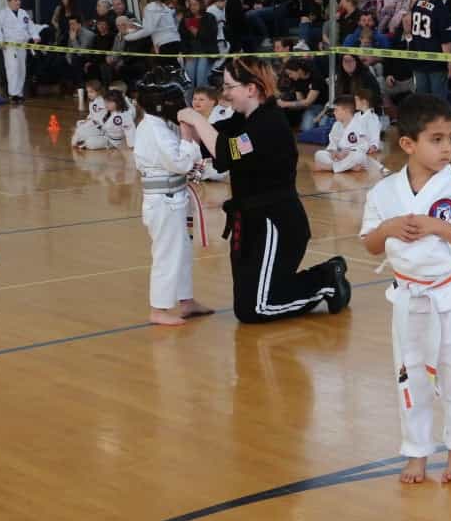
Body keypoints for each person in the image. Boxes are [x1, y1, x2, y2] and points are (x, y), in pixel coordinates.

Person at [359, 94, 451, 484]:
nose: (447, 148)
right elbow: (369, 243)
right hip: (408, 299)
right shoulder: (385, 192)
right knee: (410, 376)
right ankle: (416, 451)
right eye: (436, 139)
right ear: (408, 144)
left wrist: (436, 226)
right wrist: (388, 229)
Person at [178, 57, 350, 323]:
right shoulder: (242, 118)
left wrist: (194, 119)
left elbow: (226, 153)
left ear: (251, 88)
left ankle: (325, 279)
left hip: (276, 225)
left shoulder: (268, 123)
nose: (225, 93)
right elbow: (210, 141)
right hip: (249, 223)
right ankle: (317, 278)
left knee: (256, 309)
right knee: (248, 304)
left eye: (229, 86)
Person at [133, 75, 212, 326]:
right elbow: (180, 163)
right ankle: (158, 308)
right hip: (163, 201)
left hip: (176, 197)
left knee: (183, 251)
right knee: (167, 253)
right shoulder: (153, 129)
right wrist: (189, 137)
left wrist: (189, 138)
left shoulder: (163, 124)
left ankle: (186, 301)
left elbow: (189, 160)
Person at [406, 0, 451, 99]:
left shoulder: (418, 3)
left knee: (422, 100)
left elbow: (407, 22)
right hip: (435, 62)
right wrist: (450, 63)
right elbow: (445, 41)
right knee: (437, 101)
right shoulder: (441, 8)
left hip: (418, 57)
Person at [314, 95, 381, 174]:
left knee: (358, 156)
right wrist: (333, 151)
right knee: (319, 154)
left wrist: (347, 152)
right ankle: (349, 167)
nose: (334, 112)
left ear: (345, 111)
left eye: (336, 110)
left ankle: (330, 167)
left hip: (352, 156)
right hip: (339, 157)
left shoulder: (359, 124)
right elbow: (332, 142)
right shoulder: (336, 125)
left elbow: (364, 146)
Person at [0, 0, 34, 103]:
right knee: (13, 69)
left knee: (21, 70)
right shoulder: (2, 14)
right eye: (15, 0)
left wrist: (35, 36)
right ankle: (13, 94)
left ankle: (19, 93)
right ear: (9, 1)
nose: (18, 2)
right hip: (10, 46)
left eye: (19, 0)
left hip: (22, 45)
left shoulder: (23, 13)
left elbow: (30, 25)